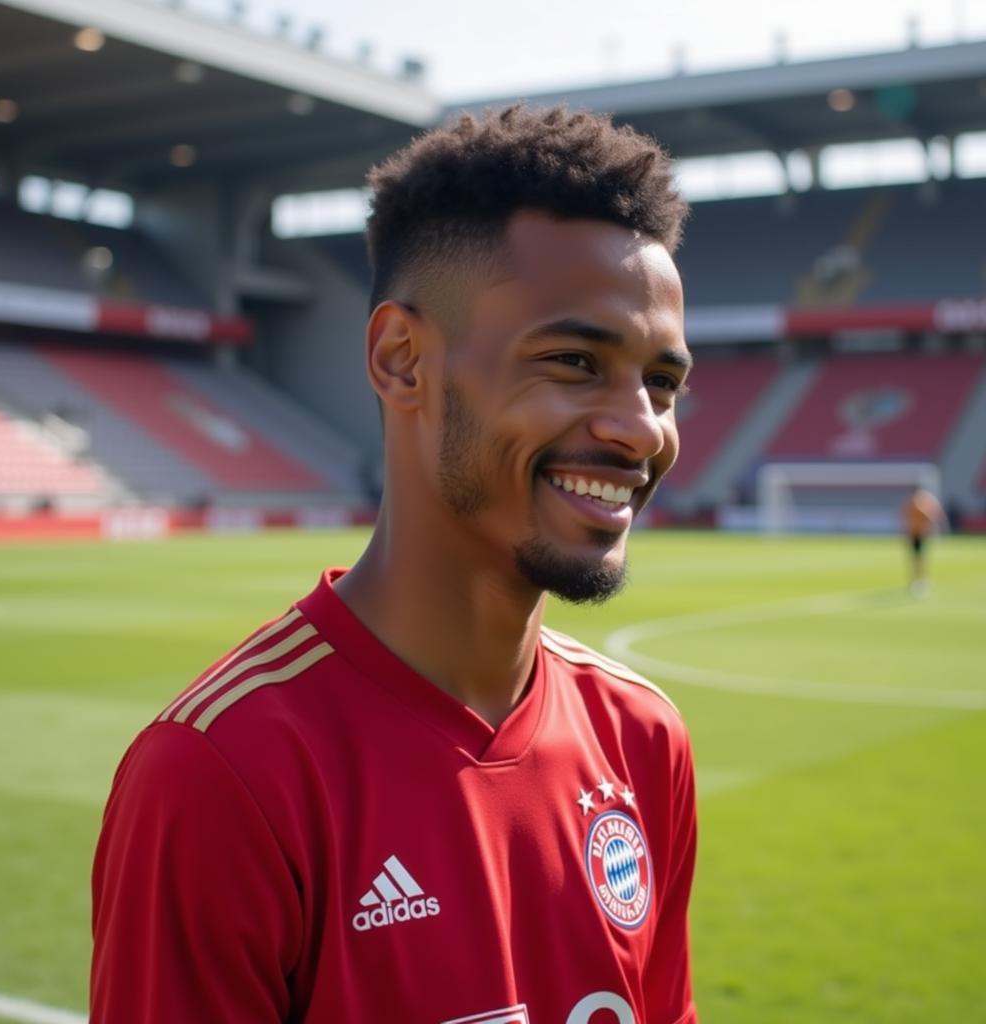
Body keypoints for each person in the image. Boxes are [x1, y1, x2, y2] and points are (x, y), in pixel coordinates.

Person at [90, 105, 698, 1024]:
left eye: (662, 382)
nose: (641, 427)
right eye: (574, 361)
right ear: (401, 360)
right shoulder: (225, 773)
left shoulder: (643, 738)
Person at [901, 485, 947, 594]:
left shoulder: (920, 500)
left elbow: (929, 514)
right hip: (916, 533)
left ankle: (919, 580)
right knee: (918, 558)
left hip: (920, 533)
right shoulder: (919, 501)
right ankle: (918, 580)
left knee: (919, 558)